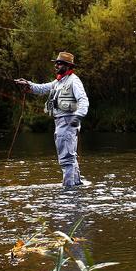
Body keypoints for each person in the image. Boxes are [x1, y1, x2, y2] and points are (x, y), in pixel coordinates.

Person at [15, 51, 89, 187]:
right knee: (70, 157)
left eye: (59, 63)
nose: (56, 65)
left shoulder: (74, 81)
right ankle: (75, 186)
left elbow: (84, 101)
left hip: (68, 122)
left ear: (68, 66)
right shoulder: (59, 81)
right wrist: (28, 84)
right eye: (56, 63)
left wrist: (77, 118)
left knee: (66, 159)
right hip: (61, 123)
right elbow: (43, 88)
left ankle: (68, 192)